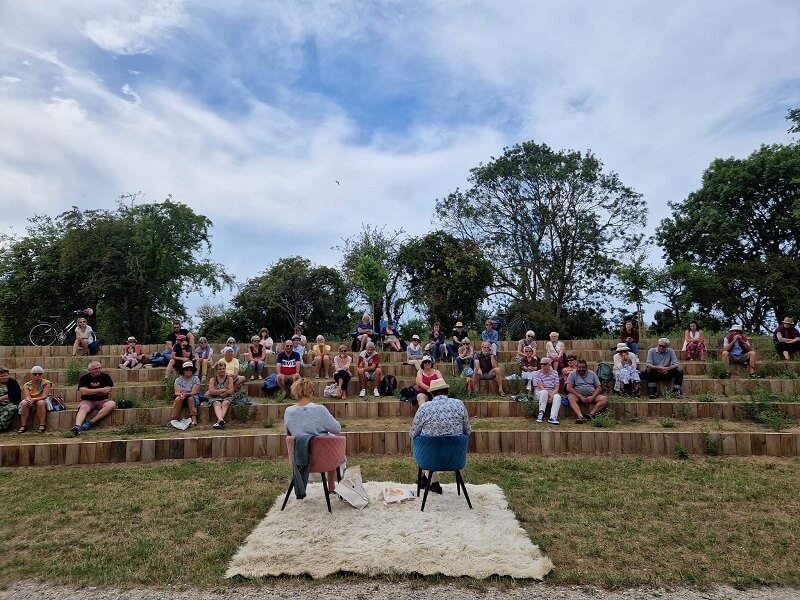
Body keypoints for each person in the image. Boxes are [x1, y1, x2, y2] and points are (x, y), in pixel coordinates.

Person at [409, 378, 471, 495]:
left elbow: (413, 433)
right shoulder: (459, 404)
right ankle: (429, 480)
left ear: (431, 393)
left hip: (430, 458)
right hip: (455, 457)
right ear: (447, 391)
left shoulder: (424, 408)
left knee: (421, 440)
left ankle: (432, 481)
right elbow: (467, 430)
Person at [284, 377, 342, 493]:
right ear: (311, 392)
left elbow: (288, 433)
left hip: (299, 457)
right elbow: (337, 428)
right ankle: (331, 485)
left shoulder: (289, 411)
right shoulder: (320, 409)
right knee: (331, 440)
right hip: (323, 457)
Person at [71, 361, 115, 435]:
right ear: (90, 370)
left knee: (112, 404)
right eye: (95, 369)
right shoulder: (84, 378)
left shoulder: (106, 377)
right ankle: (77, 426)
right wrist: (100, 390)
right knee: (83, 407)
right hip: (87, 400)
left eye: (100, 368)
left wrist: (89, 391)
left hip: (102, 400)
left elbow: (107, 390)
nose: (98, 370)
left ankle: (91, 422)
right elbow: (83, 392)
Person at [566, 359, 608, 424]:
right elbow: (569, 388)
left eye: (583, 367)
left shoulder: (593, 374)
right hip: (577, 395)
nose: (581, 369)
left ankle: (590, 415)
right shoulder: (572, 374)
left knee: (604, 399)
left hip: (591, 395)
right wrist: (580, 396)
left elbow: (599, 388)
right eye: (579, 367)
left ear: (586, 367)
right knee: (571, 398)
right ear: (577, 367)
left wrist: (593, 397)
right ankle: (580, 416)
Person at [18, 366, 51, 433]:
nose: (37, 375)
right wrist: (29, 400)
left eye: (39, 374)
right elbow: (27, 396)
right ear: (32, 375)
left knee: (40, 403)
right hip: (32, 399)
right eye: (35, 374)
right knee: (25, 403)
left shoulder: (47, 383)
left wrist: (34, 399)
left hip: (43, 399)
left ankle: (42, 424)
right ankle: (23, 425)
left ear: (42, 374)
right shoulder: (27, 385)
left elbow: (45, 396)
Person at [532, 358, 561, 425]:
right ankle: (541, 414)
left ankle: (553, 417)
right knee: (544, 392)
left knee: (558, 397)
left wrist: (552, 395)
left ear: (549, 364)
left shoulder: (555, 373)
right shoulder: (537, 373)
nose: (542, 365)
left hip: (552, 391)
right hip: (540, 392)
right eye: (541, 364)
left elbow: (557, 387)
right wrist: (550, 396)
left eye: (544, 364)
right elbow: (541, 387)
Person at [171, 361, 200, 427]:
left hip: (192, 396)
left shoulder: (196, 379)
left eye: (191, 369)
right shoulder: (178, 380)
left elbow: (194, 392)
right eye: (187, 369)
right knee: (178, 398)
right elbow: (176, 392)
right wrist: (181, 395)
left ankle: (194, 419)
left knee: (191, 399)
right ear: (183, 371)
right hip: (182, 396)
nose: (189, 371)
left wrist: (186, 394)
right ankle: (174, 418)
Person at [206, 361, 233, 429]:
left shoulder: (229, 379)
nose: (222, 370)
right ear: (216, 370)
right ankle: (220, 420)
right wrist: (223, 390)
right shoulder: (212, 380)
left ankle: (219, 420)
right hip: (215, 398)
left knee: (225, 403)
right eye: (220, 369)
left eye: (223, 368)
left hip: (227, 397)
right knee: (217, 403)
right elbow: (211, 391)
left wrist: (218, 391)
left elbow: (230, 390)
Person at [0, 366, 22, 432]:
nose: (4, 377)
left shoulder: (13, 382)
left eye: (6, 375)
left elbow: (14, 395)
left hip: (10, 403)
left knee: (12, 408)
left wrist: (1, 398)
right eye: (2, 376)